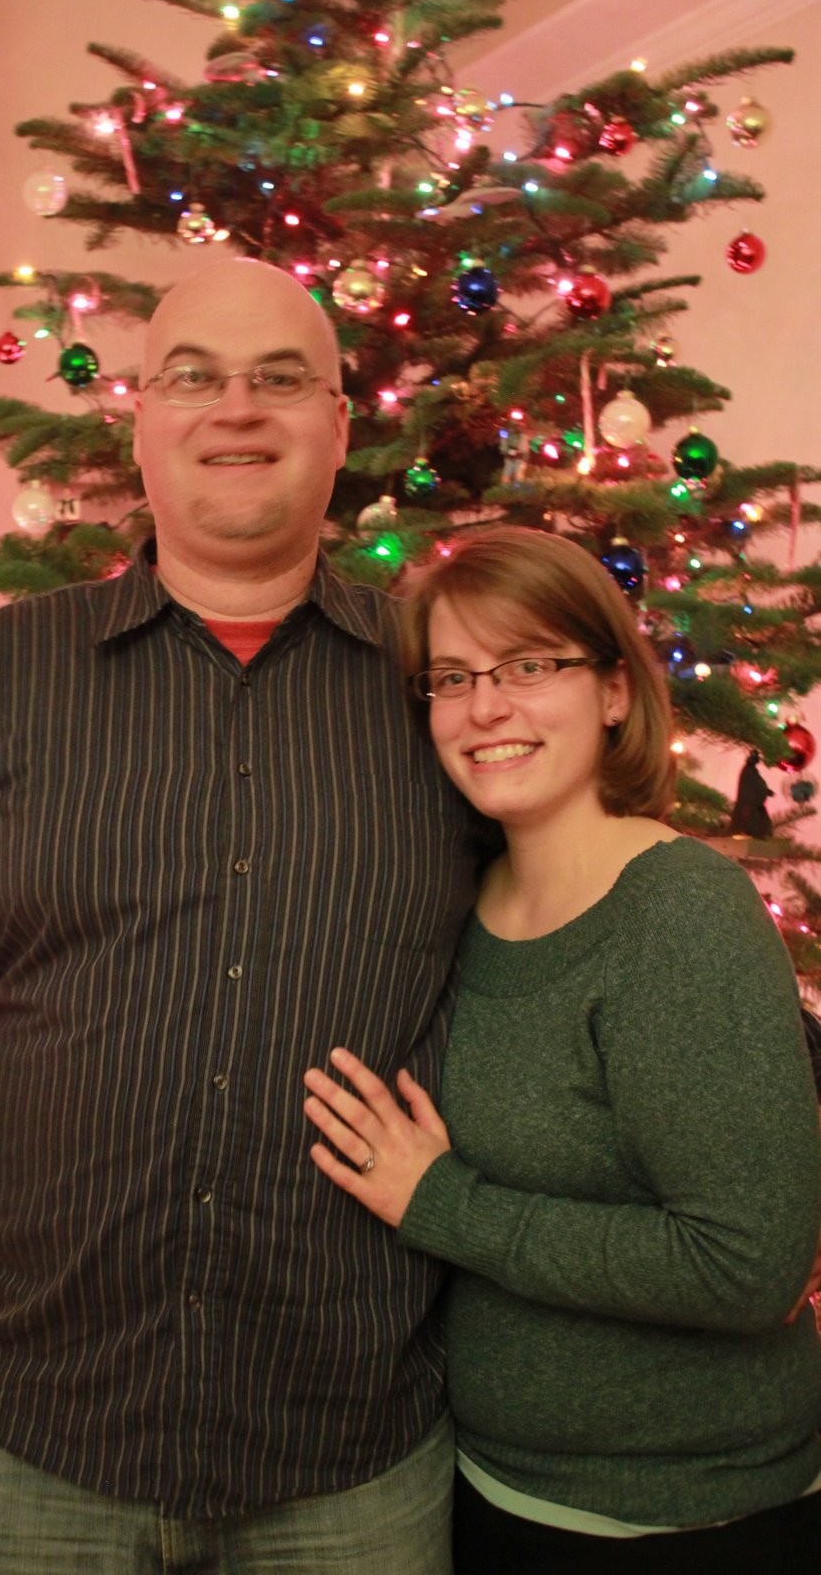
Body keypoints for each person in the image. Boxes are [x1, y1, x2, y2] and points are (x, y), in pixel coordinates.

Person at [0, 257, 476, 1573]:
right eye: (194, 378)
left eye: (279, 378)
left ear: (339, 424)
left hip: (353, 1452)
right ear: (140, 422)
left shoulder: (440, 690)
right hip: (32, 1440)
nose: (237, 408)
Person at [303, 526, 821, 1574]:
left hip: (684, 1521)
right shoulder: (463, 898)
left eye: (529, 665)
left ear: (614, 691)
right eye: (452, 678)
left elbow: (746, 1266)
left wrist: (441, 1203)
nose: (484, 707)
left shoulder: (677, 913)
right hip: (487, 1489)